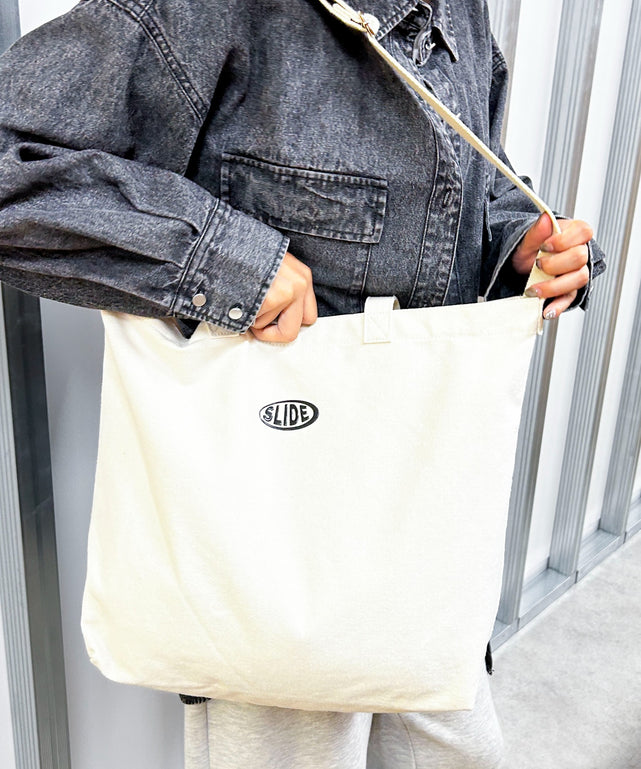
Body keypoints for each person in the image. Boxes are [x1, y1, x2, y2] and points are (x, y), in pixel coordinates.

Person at [0, 0, 604, 767]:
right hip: (271, 543)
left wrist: (518, 239)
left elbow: (457, 180)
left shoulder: (457, 8)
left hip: (424, 530)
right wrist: (226, 262)